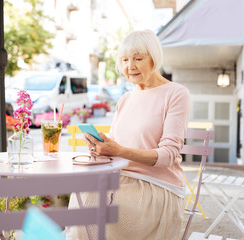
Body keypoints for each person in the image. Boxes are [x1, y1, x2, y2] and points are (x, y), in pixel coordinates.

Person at [65, 30, 190, 240]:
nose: (130, 66)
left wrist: (119, 150)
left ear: (154, 59)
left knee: (90, 209)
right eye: (124, 60)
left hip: (156, 187)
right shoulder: (125, 99)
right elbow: (115, 147)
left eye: (138, 59)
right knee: (81, 195)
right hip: (120, 178)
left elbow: (168, 155)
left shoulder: (176, 94)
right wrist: (102, 147)